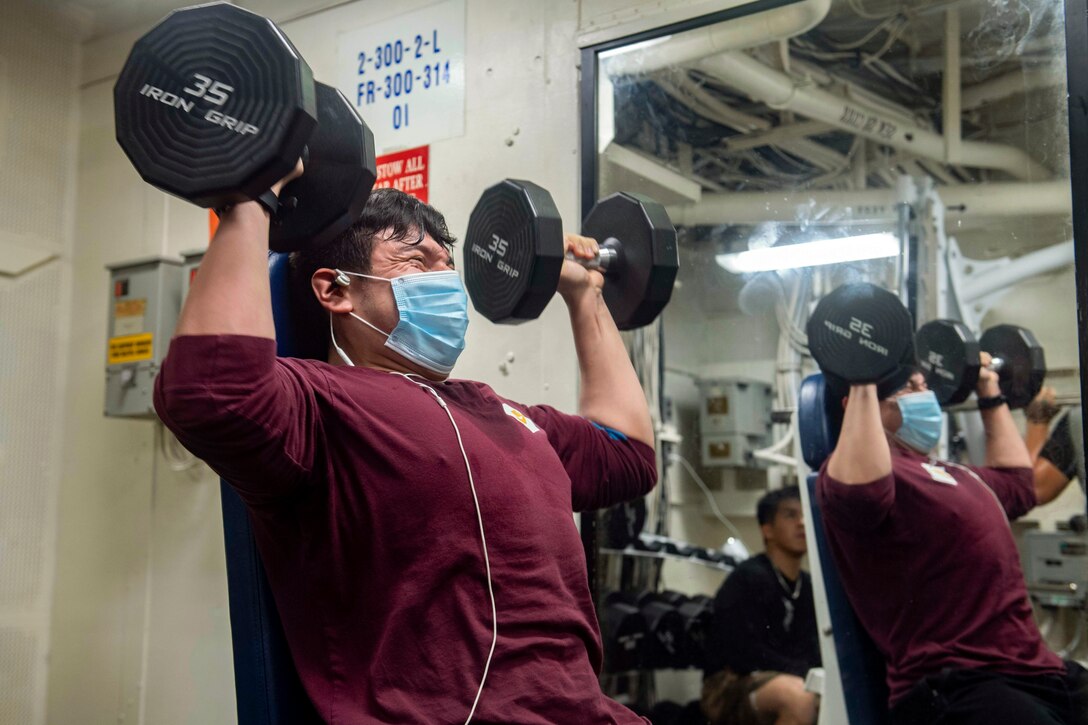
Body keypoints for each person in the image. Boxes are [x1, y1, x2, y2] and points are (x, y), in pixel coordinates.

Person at [152, 171, 659, 723]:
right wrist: (253, 200)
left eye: (447, 265)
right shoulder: (318, 403)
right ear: (335, 289)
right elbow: (210, 391)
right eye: (416, 264)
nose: (445, 281)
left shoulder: (504, 414)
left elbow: (627, 452)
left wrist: (584, 295)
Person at [816, 362, 1088, 725]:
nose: (925, 396)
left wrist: (987, 386)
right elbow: (862, 492)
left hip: (1035, 671)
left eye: (924, 385)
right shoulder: (859, 479)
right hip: (957, 684)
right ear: (858, 406)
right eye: (908, 389)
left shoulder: (951, 471)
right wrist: (864, 367)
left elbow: (1019, 485)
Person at [702, 486, 821, 725]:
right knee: (799, 698)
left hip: (787, 677)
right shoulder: (748, 578)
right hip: (729, 686)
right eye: (790, 515)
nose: (801, 523)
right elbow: (742, 652)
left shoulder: (807, 586)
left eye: (804, 514)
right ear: (767, 529)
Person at [1024, 387, 1085, 507]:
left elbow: (1033, 488)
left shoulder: (1078, 419)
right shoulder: (1078, 420)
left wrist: (1038, 417)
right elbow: (1034, 488)